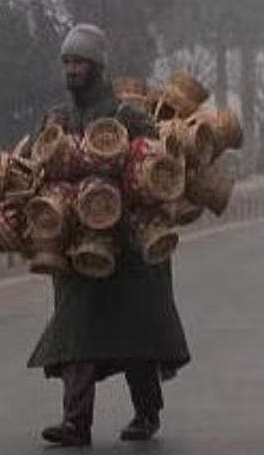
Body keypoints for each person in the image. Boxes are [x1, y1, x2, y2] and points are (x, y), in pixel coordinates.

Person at [27, 23, 191, 447]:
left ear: (97, 67)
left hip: (128, 246)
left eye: (79, 62)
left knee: (134, 330)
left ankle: (146, 411)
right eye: (66, 62)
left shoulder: (128, 116)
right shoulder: (58, 118)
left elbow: (157, 167)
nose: (71, 70)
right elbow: (35, 169)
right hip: (79, 247)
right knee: (77, 328)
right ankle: (75, 422)